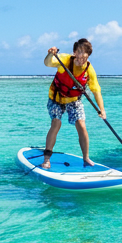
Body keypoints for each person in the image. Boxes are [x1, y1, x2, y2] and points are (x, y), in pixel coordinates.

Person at [42, 38, 105, 169]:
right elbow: (48, 63)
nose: (83, 55)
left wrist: (102, 109)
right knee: (56, 123)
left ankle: (86, 158)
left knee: (81, 124)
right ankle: (47, 159)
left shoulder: (89, 69)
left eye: (86, 53)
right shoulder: (64, 59)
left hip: (74, 100)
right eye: (80, 52)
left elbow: (96, 89)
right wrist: (50, 54)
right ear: (75, 52)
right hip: (56, 98)